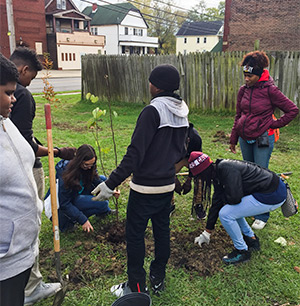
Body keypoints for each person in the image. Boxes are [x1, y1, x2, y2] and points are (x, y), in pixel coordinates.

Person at [92, 64, 189, 296]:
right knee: (161, 231)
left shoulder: (152, 111)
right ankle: (158, 278)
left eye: (150, 82)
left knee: (135, 236)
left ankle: (136, 287)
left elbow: (134, 154)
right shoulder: (182, 111)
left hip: (145, 189)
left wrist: (110, 183)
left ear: (155, 86)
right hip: (167, 187)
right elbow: (182, 149)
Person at [9, 47, 76, 305]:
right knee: (30, 223)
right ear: (24, 70)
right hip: (26, 169)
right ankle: (32, 286)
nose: (29, 84)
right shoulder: (21, 94)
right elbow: (25, 142)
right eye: (31, 78)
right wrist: (56, 151)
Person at [229, 51, 298, 230]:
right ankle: (249, 208)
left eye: (249, 75)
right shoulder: (243, 91)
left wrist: (274, 124)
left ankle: (262, 214)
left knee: (262, 176)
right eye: (244, 75)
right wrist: (233, 138)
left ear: (259, 74)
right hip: (245, 138)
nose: (246, 79)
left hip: (263, 139)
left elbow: (292, 110)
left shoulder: (270, 90)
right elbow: (239, 115)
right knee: (248, 175)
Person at [189, 152, 287, 265]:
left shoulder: (226, 169)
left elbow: (235, 198)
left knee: (226, 214)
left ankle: (242, 251)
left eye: (199, 176)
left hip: (272, 194)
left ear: (204, 171)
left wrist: (223, 199)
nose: (200, 180)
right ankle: (251, 239)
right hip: (270, 190)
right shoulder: (217, 173)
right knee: (231, 209)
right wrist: (207, 232)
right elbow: (216, 203)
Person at [0, 53, 41, 305]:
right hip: (4, 258)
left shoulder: (6, 121)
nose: (13, 98)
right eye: (7, 93)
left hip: (21, 252)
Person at [46, 144, 116, 232]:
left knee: (103, 180)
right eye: (87, 165)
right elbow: (64, 204)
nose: (90, 167)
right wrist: (83, 220)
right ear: (79, 162)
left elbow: (96, 180)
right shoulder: (67, 175)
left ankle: (103, 212)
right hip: (59, 210)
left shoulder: (88, 168)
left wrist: (110, 190)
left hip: (75, 195)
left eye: (92, 164)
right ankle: (69, 223)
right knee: (103, 203)